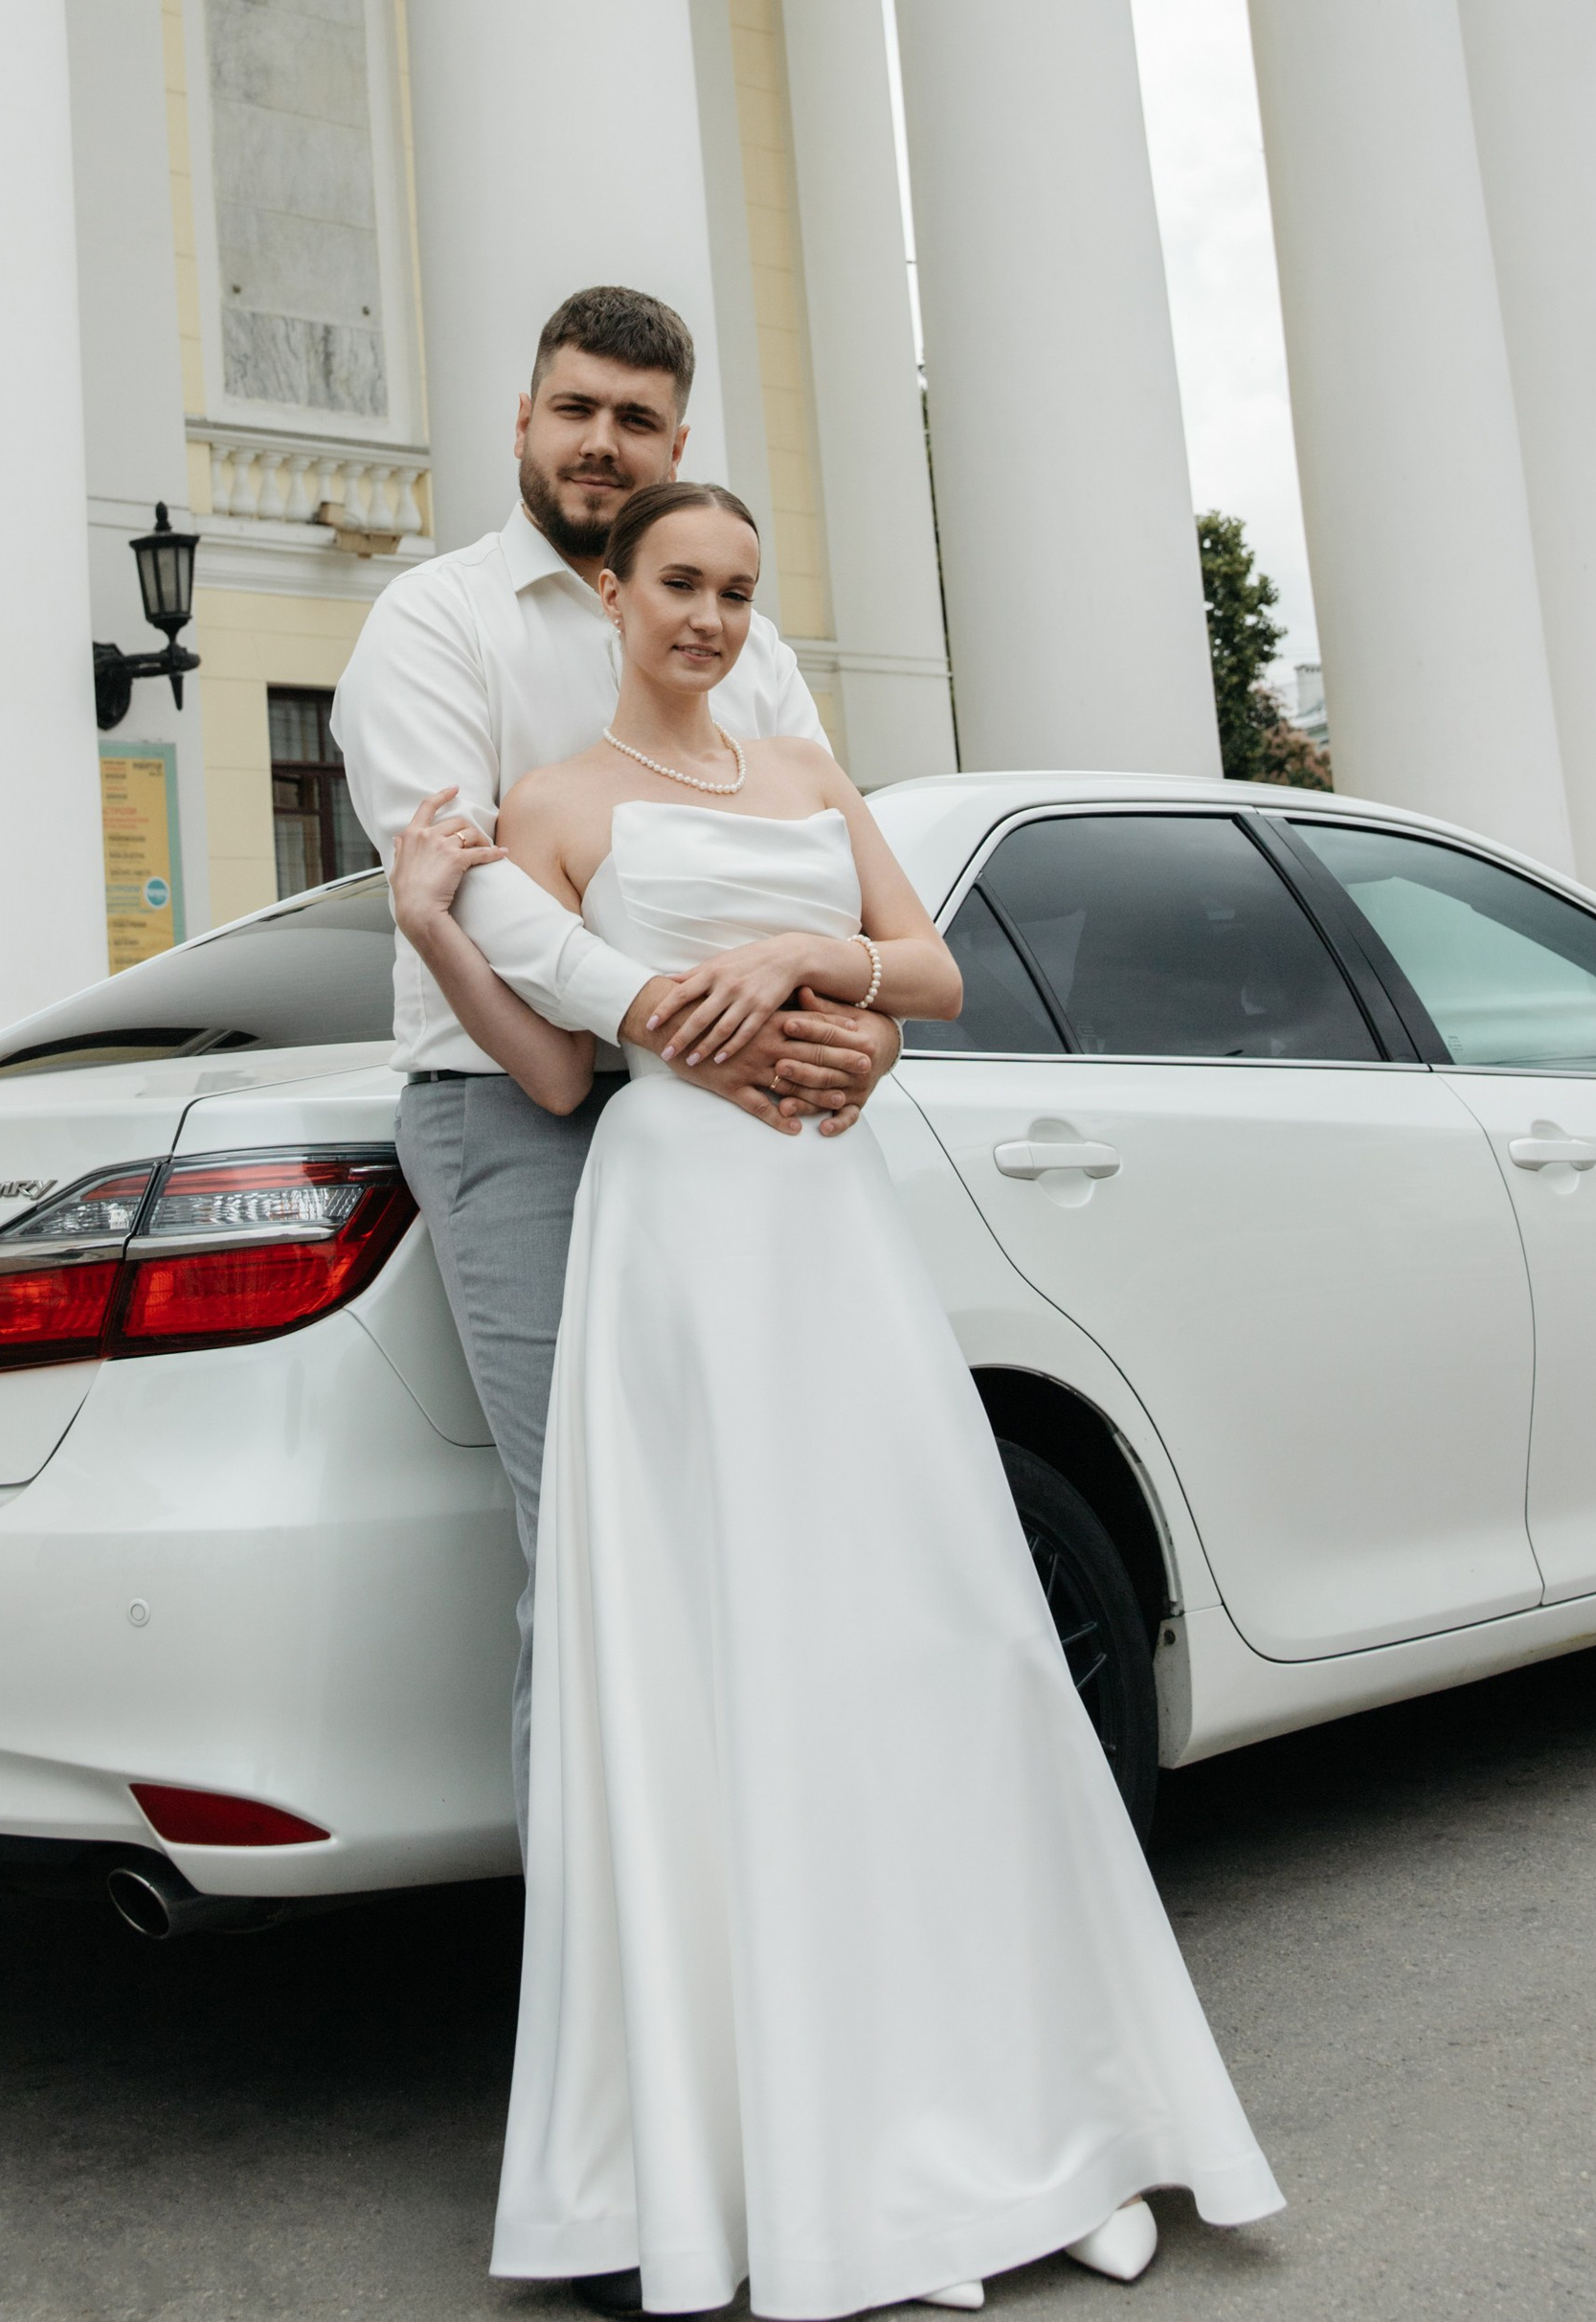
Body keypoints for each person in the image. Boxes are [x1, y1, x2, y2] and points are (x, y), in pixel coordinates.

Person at [391, 479, 1283, 2319]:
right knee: (728, 1648)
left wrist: (815, 964)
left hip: (828, 1231)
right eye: (677, 587)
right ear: (613, 597)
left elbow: (938, 967)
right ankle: (762, 2152)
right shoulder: (551, 809)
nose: (709, 619)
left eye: (735, 591)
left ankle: (997, 2101)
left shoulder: (807, 773)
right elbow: (560, 1074)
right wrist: (439, 926)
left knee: (919, 1633)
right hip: (679, 1240)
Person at [332, 287, 901, 1837]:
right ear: (522, 420)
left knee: (766, 1517)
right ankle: (595, 1988)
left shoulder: (749, 645)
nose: (601, 442)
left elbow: (832, 873)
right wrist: (660, 1013)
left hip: (749, 1125)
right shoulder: (436, 619)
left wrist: (870, 1032)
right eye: (575, 409)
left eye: (636, 420)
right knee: (591, 1536)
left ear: (675, 444)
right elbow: (461, 873)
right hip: (516, 1103)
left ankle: (771, 1910)